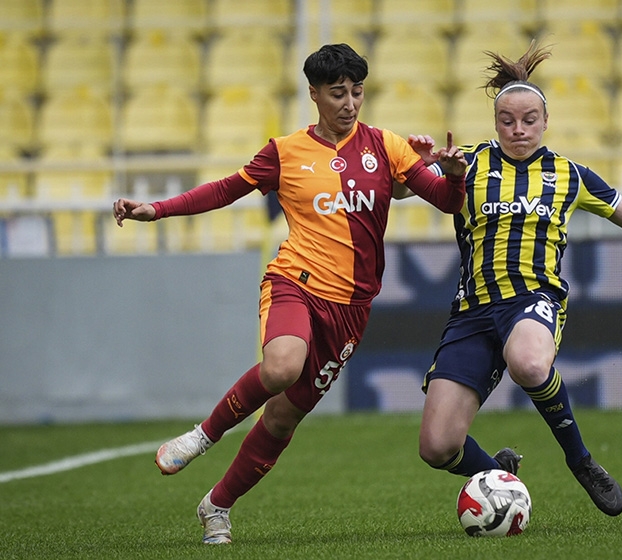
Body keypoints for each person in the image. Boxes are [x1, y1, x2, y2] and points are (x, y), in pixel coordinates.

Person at [113, 43, 467, 545]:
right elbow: (225, 189)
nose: (349, 103)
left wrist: (454, 177)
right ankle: (203, 435)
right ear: (314, 94)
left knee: (281, 418)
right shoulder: (284, 152)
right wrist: (157, 210)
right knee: (281, 367)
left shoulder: (387, 147)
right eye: (338, 93)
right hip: (294, 283)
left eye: (357, 92)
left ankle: (216, 506)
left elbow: (447, 203)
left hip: (351, 310)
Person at [416, 41, 622, 517]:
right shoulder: (467, 163)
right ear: (495, 123)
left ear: (545, 121)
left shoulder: (568, 174)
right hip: (472, 311)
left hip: (532, 299)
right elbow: (399, 188)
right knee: (437, 446)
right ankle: (500, 475)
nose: (518, 129)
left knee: (529, 364)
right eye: (507, 121)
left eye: (529, 120)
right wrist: (422, 162)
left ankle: (581, 461)